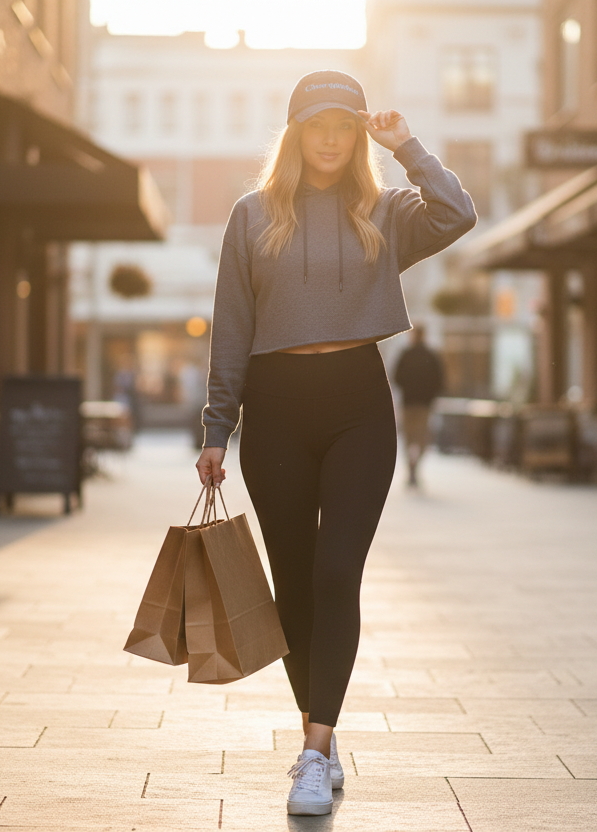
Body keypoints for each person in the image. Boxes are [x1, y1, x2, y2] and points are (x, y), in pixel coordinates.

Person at [194, 70, 476, 816]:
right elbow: (232, 329)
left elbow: (457, 213)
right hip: (275, 406)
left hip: (358, 404)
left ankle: (314, 753)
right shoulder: (252, 216)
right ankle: (322, 729)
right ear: (294, 134)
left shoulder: (383, 209)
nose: (329, 137)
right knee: (292, 588)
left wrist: (408, 145)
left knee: (334, 572)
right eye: (316, 124)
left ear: (357, 136)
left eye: (343, 125)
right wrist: (216, 427)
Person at [394, 328, 444, 487]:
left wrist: (408, 389)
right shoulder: (431, 355)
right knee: (421, 437)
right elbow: (440, 380)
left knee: (409, 437)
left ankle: (411, 468)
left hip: (409, 402)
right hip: (424, 404)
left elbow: (396, 377)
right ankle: (414, 468)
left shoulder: (406, 354)